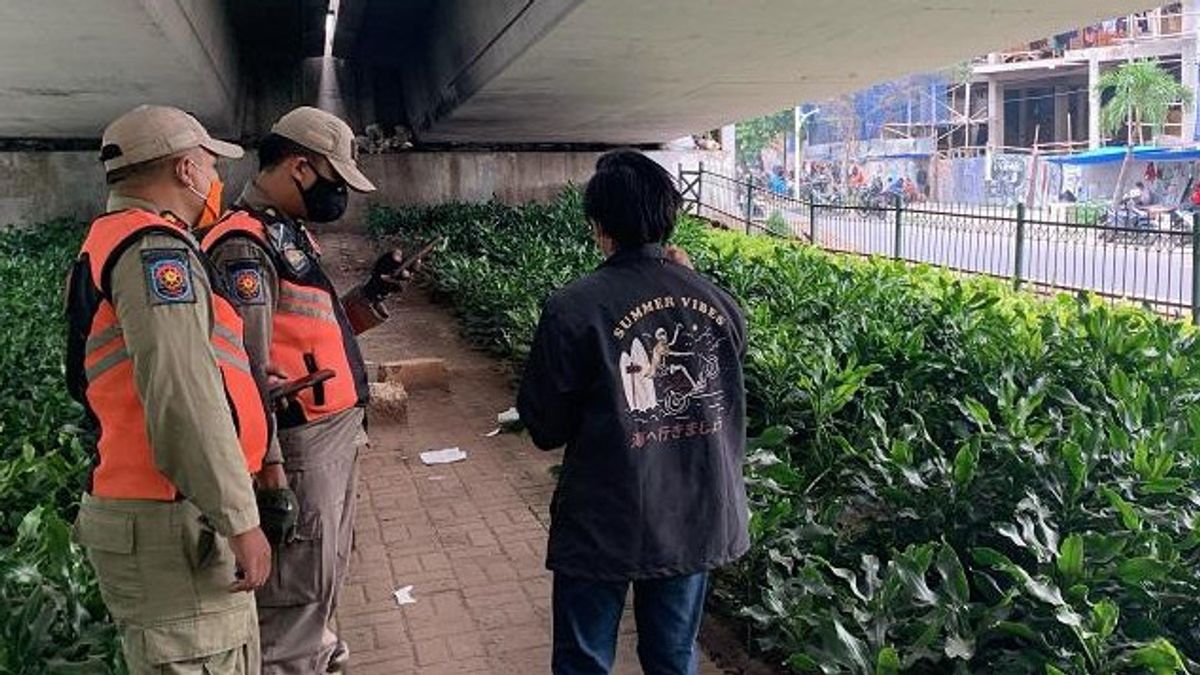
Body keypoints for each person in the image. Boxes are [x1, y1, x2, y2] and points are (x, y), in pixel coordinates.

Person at [517, 149, 749, 675]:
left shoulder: (573, 307)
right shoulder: (718, 301)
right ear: (669, 218)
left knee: (584, 661)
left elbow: (545, 427)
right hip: (693, 515)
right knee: (672, 658)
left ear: (599, 226)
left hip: (605, 518)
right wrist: (689, 285)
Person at [65, 105, 273, 672]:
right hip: (173, 521)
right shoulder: (156, 254)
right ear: (185, 170)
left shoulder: (114, 241)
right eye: (209, 165)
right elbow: (183, 396)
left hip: (163, 513)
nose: (215, 180)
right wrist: (241, 520)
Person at [198, 106, 405, 674]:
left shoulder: (286, 232)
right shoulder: (244, 246)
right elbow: (250, 374)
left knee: (326, 561)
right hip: (297, 444)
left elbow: (316, 330)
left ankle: (317, 648)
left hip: (331, 434)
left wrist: (372, 293)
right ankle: (292, 660)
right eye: (335, 182)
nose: (340, 197)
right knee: (297, 577)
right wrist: (270, 474)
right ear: (298, 167)